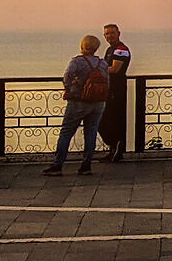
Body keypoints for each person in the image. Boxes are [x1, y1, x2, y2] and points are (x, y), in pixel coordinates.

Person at [50, 36, 107, 177]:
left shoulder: (77, 61)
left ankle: (57, 165)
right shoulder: (103, 63)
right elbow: (107, 82)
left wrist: (70, 89)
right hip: (98, 103)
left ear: (82, 46)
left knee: (66, 133)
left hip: (79, 102)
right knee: (91, 132)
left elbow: (67, 76)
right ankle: (86, 166)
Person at [98, 24, 133, 159]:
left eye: (112, 33)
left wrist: (95, 69)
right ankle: (114, 148)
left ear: (119, 33)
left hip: (116, 90)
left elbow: (114, 69)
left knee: (108, 118)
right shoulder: (110, 49)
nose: (109, 36)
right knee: (107, 119)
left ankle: (116, 145)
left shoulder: (121, 49)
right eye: (106, 34)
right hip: (110, 89)